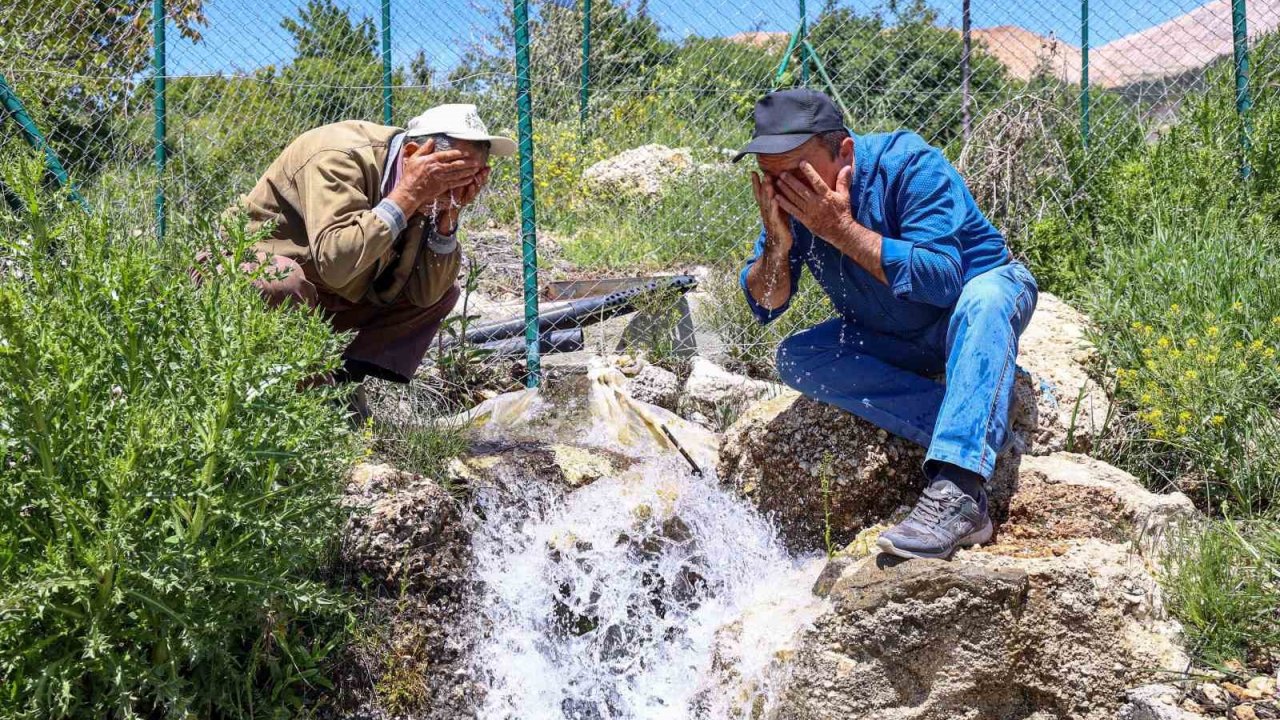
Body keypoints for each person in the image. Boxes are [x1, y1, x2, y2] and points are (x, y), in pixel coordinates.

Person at [735, 88, 1038, 560]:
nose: (786, 188)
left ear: (845, 153)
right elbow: (767, 302)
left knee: (988, 295)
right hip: (892, 336)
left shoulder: (910, 163)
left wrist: (840, 229)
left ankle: (960, 491)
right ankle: (970, 427)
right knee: (800, 357)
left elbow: (940, 280)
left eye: (798, 171)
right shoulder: (795, 201)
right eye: (773, 179)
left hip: (965, 312)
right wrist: (777, 242)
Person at [232, 103, 514, 412]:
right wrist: (407, 196)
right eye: (453, 174)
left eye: (471, 176)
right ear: (411, 156)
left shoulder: (430, 190)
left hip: (323, 289)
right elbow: (337, 263)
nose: (461, 187)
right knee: (281, 282)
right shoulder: (338, 156)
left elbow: (426, 294)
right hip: (241, 277)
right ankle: (298, 405)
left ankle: (341, 387)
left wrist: (447, 221)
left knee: (445, 290)